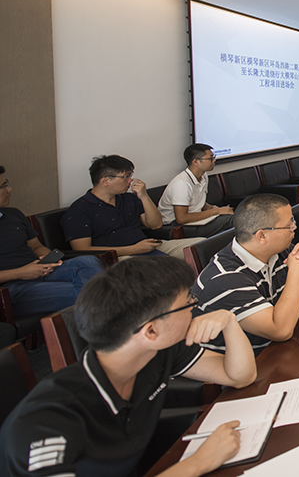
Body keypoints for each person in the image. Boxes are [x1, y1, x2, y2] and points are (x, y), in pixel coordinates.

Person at [0, 256, 257, 477]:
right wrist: (198, 463)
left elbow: (239, 376)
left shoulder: (156, 351)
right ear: (151, 331)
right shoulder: (46, 422)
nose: (195, 308)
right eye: (189, 303)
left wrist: (229, 321)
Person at [193, 193, 299, 353]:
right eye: (289, 225)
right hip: (246, 360)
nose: (294, 228)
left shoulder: (279, 251)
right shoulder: (225, 279)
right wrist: (296, 272)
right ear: (262, 236)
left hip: (276, 349)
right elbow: (280, 330)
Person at [0, 165, 103, 317]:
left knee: (88, 261)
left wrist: (49, 260)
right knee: (92, 293)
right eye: (4, 186)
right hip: (11, 288)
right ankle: (109, 324)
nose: (9, 189)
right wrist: (20, 273)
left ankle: (105, 322)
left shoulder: (14, 214)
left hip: (41, 271)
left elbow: (36, 246)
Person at [62, 155, 203, 259]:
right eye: (125, 177)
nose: (130, 181)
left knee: (202, 245)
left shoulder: (128, 198)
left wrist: (144, 196)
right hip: (118, 256)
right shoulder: (80, 210)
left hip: (146, 246)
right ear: (105, 180)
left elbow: (155, 225)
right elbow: (82, 249)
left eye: (130, 176)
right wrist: (133, 249)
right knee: (160, 267)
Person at [158, 143, 235, 238]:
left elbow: (199, 203)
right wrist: (217, 211)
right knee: (231, 221)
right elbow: (181, 218)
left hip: (194, 220)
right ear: (196, 162)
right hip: (176, 226)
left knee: (231, 223)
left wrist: (214, 208)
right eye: (210, 158)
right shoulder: (182, 183)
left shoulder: (203, 176)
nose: (214, 160)